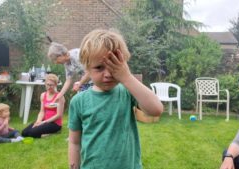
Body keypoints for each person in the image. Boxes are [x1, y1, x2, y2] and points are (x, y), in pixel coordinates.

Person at [68, 29, 164, 169]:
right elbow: (74, 142)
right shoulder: (78, 102)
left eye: (113, 67)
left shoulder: (127, 92)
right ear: (87, 69)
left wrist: (126, 77)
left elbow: (156, 109)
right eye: (99, 67)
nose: (107, 74)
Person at [22, 74, 65, 138]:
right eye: (47, 84)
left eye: (51, 85)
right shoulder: (43, 95)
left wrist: (44, 122)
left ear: (55, 85)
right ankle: (43, 132)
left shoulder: (59, 97)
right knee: (24, 133)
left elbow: (59, 115)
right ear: (45, 84)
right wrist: (38, 121)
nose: (49, 87)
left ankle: (52, 133)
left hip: (55, 123)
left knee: (32, 133)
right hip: (44, 121)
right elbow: (42, 111)